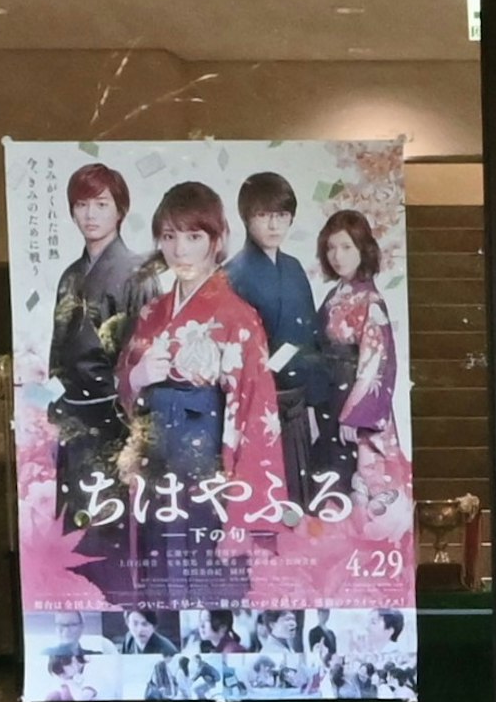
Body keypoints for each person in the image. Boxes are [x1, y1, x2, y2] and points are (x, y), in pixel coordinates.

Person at [116, 179, 289, 603]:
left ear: (218, 239)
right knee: (158, 561)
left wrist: (243, 512)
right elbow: (125, 381)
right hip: (156, 457)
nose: (180, 250)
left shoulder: (237, 316)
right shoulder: (154, 310)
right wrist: (136, 378)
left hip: (209, 455)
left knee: (206, 566)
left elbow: (256, 411)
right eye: (170, 237)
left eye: (194, 237)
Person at [228, 169, 337, 507]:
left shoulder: (292, 267)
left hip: (299, 401)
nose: (274, 225)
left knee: (298, 497)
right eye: (264, 215)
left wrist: (320, 403)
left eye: (281, 215)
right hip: (259, 402)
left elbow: (311, 335)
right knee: (265, 497)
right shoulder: (233, 274)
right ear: (247, 218)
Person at [47, 160, 142, 542]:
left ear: (120, 210)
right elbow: (59, 346)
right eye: (82, 205)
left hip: (113, 416)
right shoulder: (71, 274)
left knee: (109, 517)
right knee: (76, 519)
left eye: (102, 204)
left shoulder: (135, 273)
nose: (90, 214)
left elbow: (138, 353)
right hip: (73, 415)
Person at [314, 206, 402, 517]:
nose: (337, 255)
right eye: (331, 247)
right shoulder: (335, 295)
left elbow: (377, 361)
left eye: (346, 246)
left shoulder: (370, 301)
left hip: (351, 396)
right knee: (328, 478)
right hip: (330, 394)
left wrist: (356, 414)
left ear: (363, 249)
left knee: (352, 480)